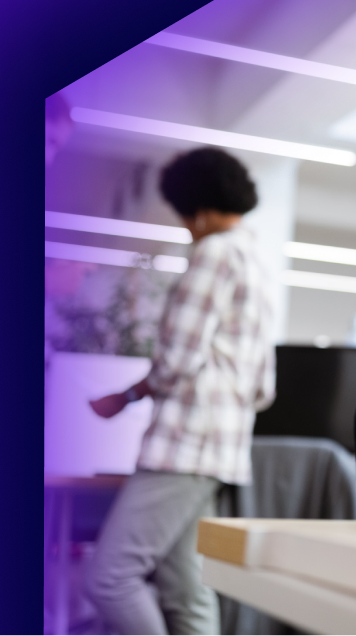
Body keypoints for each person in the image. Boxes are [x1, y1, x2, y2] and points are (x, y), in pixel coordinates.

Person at [85, 147, 274, 636]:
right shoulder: (256, 260)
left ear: (202, 210)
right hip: (218, 450)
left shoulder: (213, 253)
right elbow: (263, 387)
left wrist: (124, 397)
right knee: (186, 590)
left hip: (182, 447)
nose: (186, 229)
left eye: (184, 218)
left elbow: (175, 362)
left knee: (109, 579)